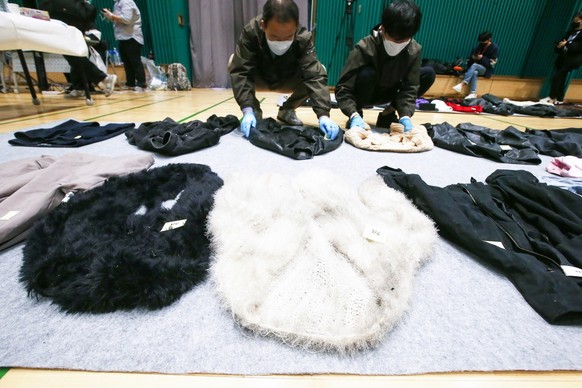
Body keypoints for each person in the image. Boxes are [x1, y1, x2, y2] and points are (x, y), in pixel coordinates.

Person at [228, 0, 340, 140]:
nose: (281, 42)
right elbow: (241, 72)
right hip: (260, 78)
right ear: (263, 25)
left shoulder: (303, 37)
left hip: (288, 80)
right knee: (233, 61)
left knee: (319, 69)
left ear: (296, 27)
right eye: (275, 37)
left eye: (288, 37)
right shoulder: (251, 32)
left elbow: (314, 77)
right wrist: (247, 109)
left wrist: (324, 115)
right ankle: (254, 111)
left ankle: (287, 110)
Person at [335, 0, 423, 132]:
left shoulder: (413, 50)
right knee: (367, 73)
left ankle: (388, 113)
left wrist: (405, 115)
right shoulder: (365, 47)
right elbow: (343, 87)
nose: (397, 44)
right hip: (365, 93)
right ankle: (357, 113)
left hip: (391, 92)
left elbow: (411, 87)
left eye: (403, 41)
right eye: (393, 39)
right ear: (383, 28)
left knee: (427, 74)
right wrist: (352, 113)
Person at [39, 0, 116, 98]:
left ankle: (104, 79)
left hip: (63, 10)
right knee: (72, 53)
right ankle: (80, 87)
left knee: (71, 53)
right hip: (74, 12)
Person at [102, 0, 148, 92]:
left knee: (135, 61)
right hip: (123, 37)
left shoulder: (127, 1)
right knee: (127, 62)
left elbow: (126, 19)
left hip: (132, 37)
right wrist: (109, 16)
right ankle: (130, 83)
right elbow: (118, 19)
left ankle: (141, 83)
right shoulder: (117, 3)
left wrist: (111, 15)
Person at [539, 12, 582, 105]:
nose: (574, 21)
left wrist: (567, 43)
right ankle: (560, 98)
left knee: (557, 77)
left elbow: (578, 47)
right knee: (561, 78)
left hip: (573, 59)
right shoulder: (570, 31)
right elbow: (563, 41)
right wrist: (559, 46)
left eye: (577, 20)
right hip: (563, 57)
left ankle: (552, 98)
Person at [452, 31, 499, 99]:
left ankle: (462, 84)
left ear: (489, 39)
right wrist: (473, 57)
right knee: (474, 72)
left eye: (484, 42)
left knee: (475, 65)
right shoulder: (478, 47)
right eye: (480, 42)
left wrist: (482, 58)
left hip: (486, 69)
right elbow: (470, 59)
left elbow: (491, 64)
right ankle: (473, 93)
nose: (482, 44)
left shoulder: (494, 48)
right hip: (475, 69)